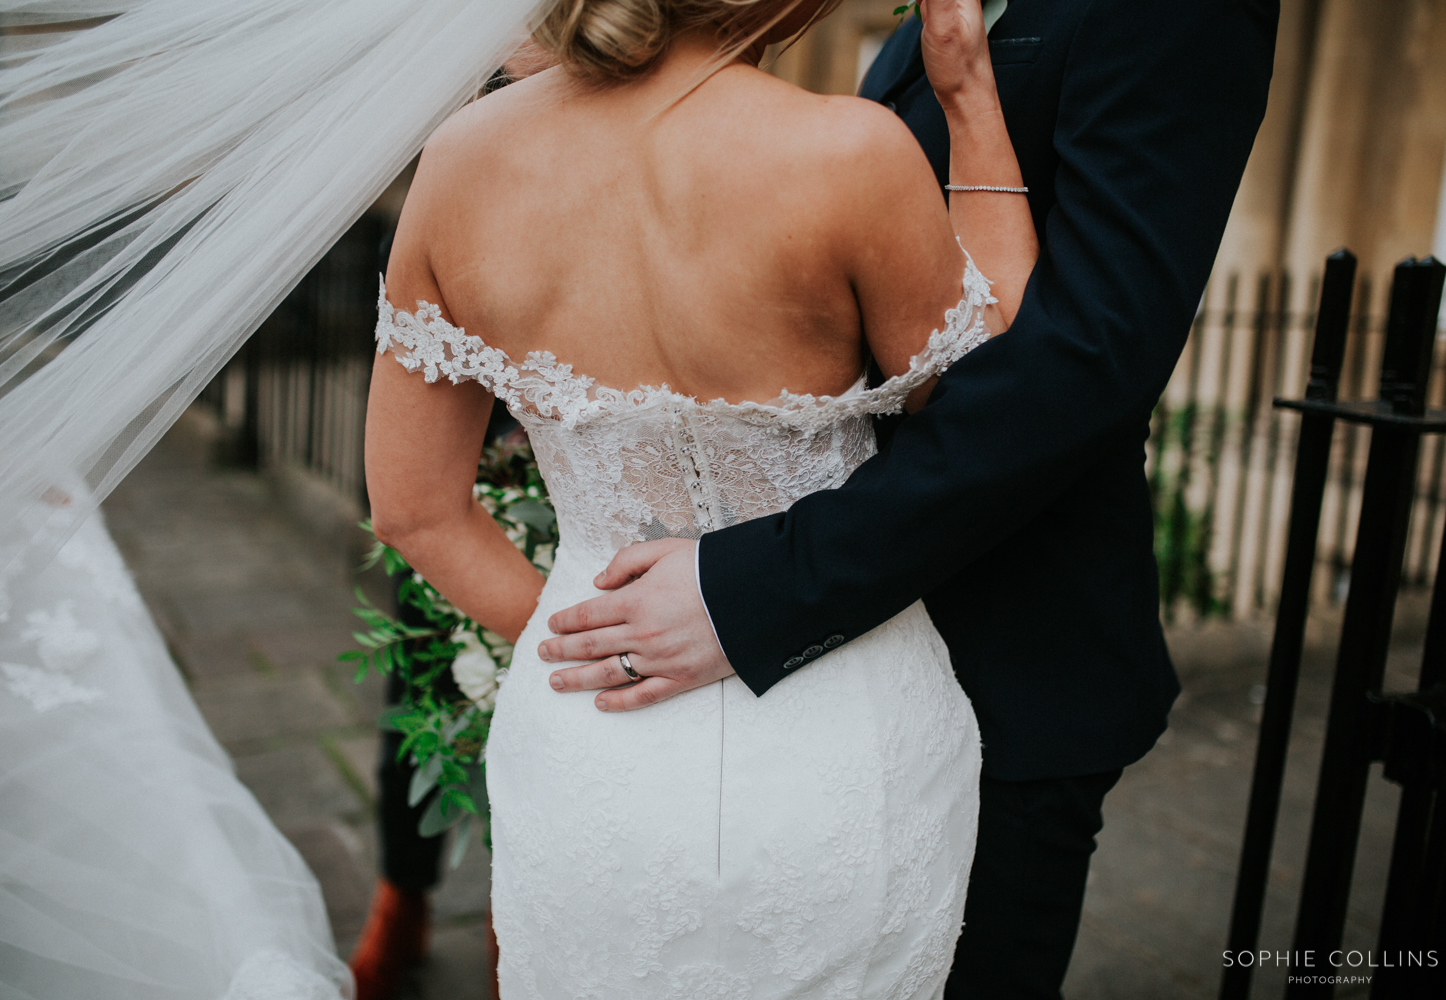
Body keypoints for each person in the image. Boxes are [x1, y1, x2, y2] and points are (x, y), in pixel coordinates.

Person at [536, 1, 1278, 998]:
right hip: (845, 667)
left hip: (1004, 657)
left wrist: (755, 588)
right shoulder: (923, 25)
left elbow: (1085, 363)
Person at [361, 0, 1042, 993]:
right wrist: (971, 95)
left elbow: (414, 510)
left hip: (595, 734)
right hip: (839, 729)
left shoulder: (461, 160)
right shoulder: (850, 154)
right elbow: (1002, 393)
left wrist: (591, 635)